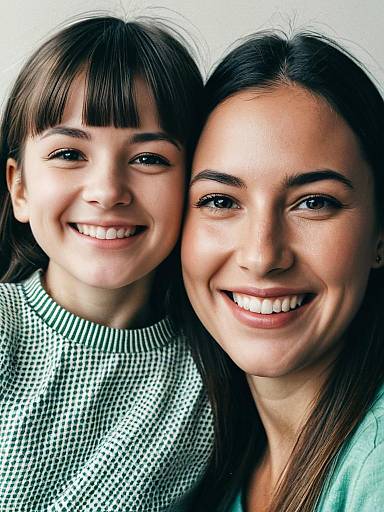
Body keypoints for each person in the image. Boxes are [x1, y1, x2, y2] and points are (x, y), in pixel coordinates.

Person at [0, 15, 213, 511]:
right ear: (21, 188)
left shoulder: (215, 377)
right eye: (70, 152)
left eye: (149, 159)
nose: (108, 191)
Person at [179, 31, 384, 511]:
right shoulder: (195, 465)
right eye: (221, 201)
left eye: (314, 202)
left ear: (380, 234)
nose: (262, 254)